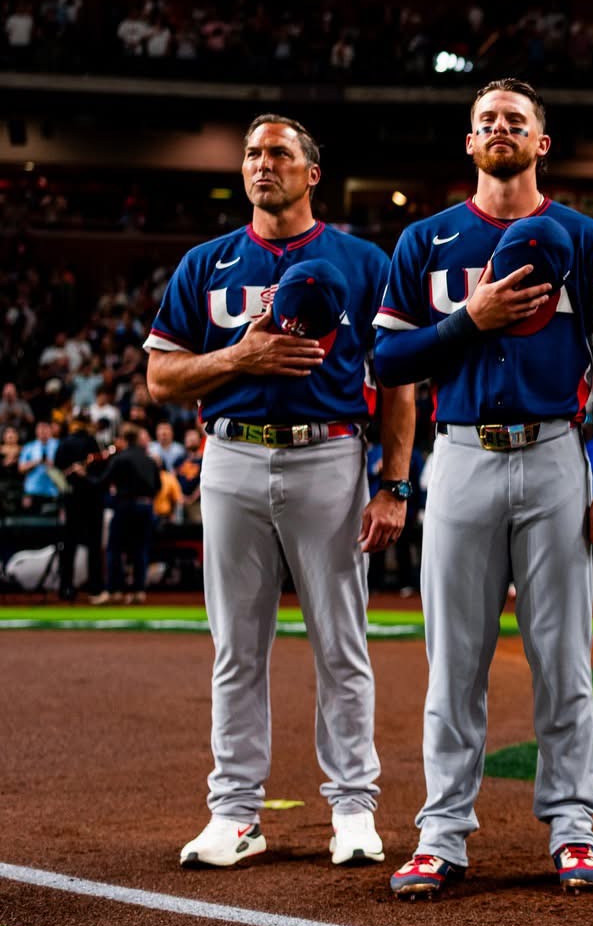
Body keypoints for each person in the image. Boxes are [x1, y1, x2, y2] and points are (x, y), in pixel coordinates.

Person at [372, 79, 593, 899]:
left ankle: (573, 825)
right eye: (486, 121)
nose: (500, 129)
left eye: (515, 121)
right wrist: (468, 321)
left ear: (539, 143)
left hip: (557, 449)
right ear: (470, 142)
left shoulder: (586, 239)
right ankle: (443, 832)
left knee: (564, 656)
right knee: (455, 657)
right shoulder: (428, 239)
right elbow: (387, 364)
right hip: (458, 454)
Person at [145, 114, 413, 872]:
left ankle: (354, 805)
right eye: (254, 154)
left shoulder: (363, 259)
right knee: (237, 647)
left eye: (280, 154)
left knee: (342, 642)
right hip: (229, 453)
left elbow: (397, 384)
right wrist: (242, 353)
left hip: (330, 454)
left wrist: (393, 484)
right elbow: (161, 378)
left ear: (311, 172)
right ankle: (234, 812)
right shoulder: (207, 261)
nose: (264, 165)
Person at [100, 423, 159, 604]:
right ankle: (138, 592)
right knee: (140, 550)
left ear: (124, 439)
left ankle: (114, 591)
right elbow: (158, 486)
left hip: (125, 506)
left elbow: (103, 482)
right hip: (145, 507)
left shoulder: (120, 459)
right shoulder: (149, 460)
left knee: (114, 549)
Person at [53, 418, 107, 601]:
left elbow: (56, 470)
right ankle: (95, 589)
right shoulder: (93, 442)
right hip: (92, 499)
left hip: (71, 498)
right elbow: (102, 470)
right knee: (94, 544)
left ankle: (66, 588)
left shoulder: (64, 443)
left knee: (69, 545)